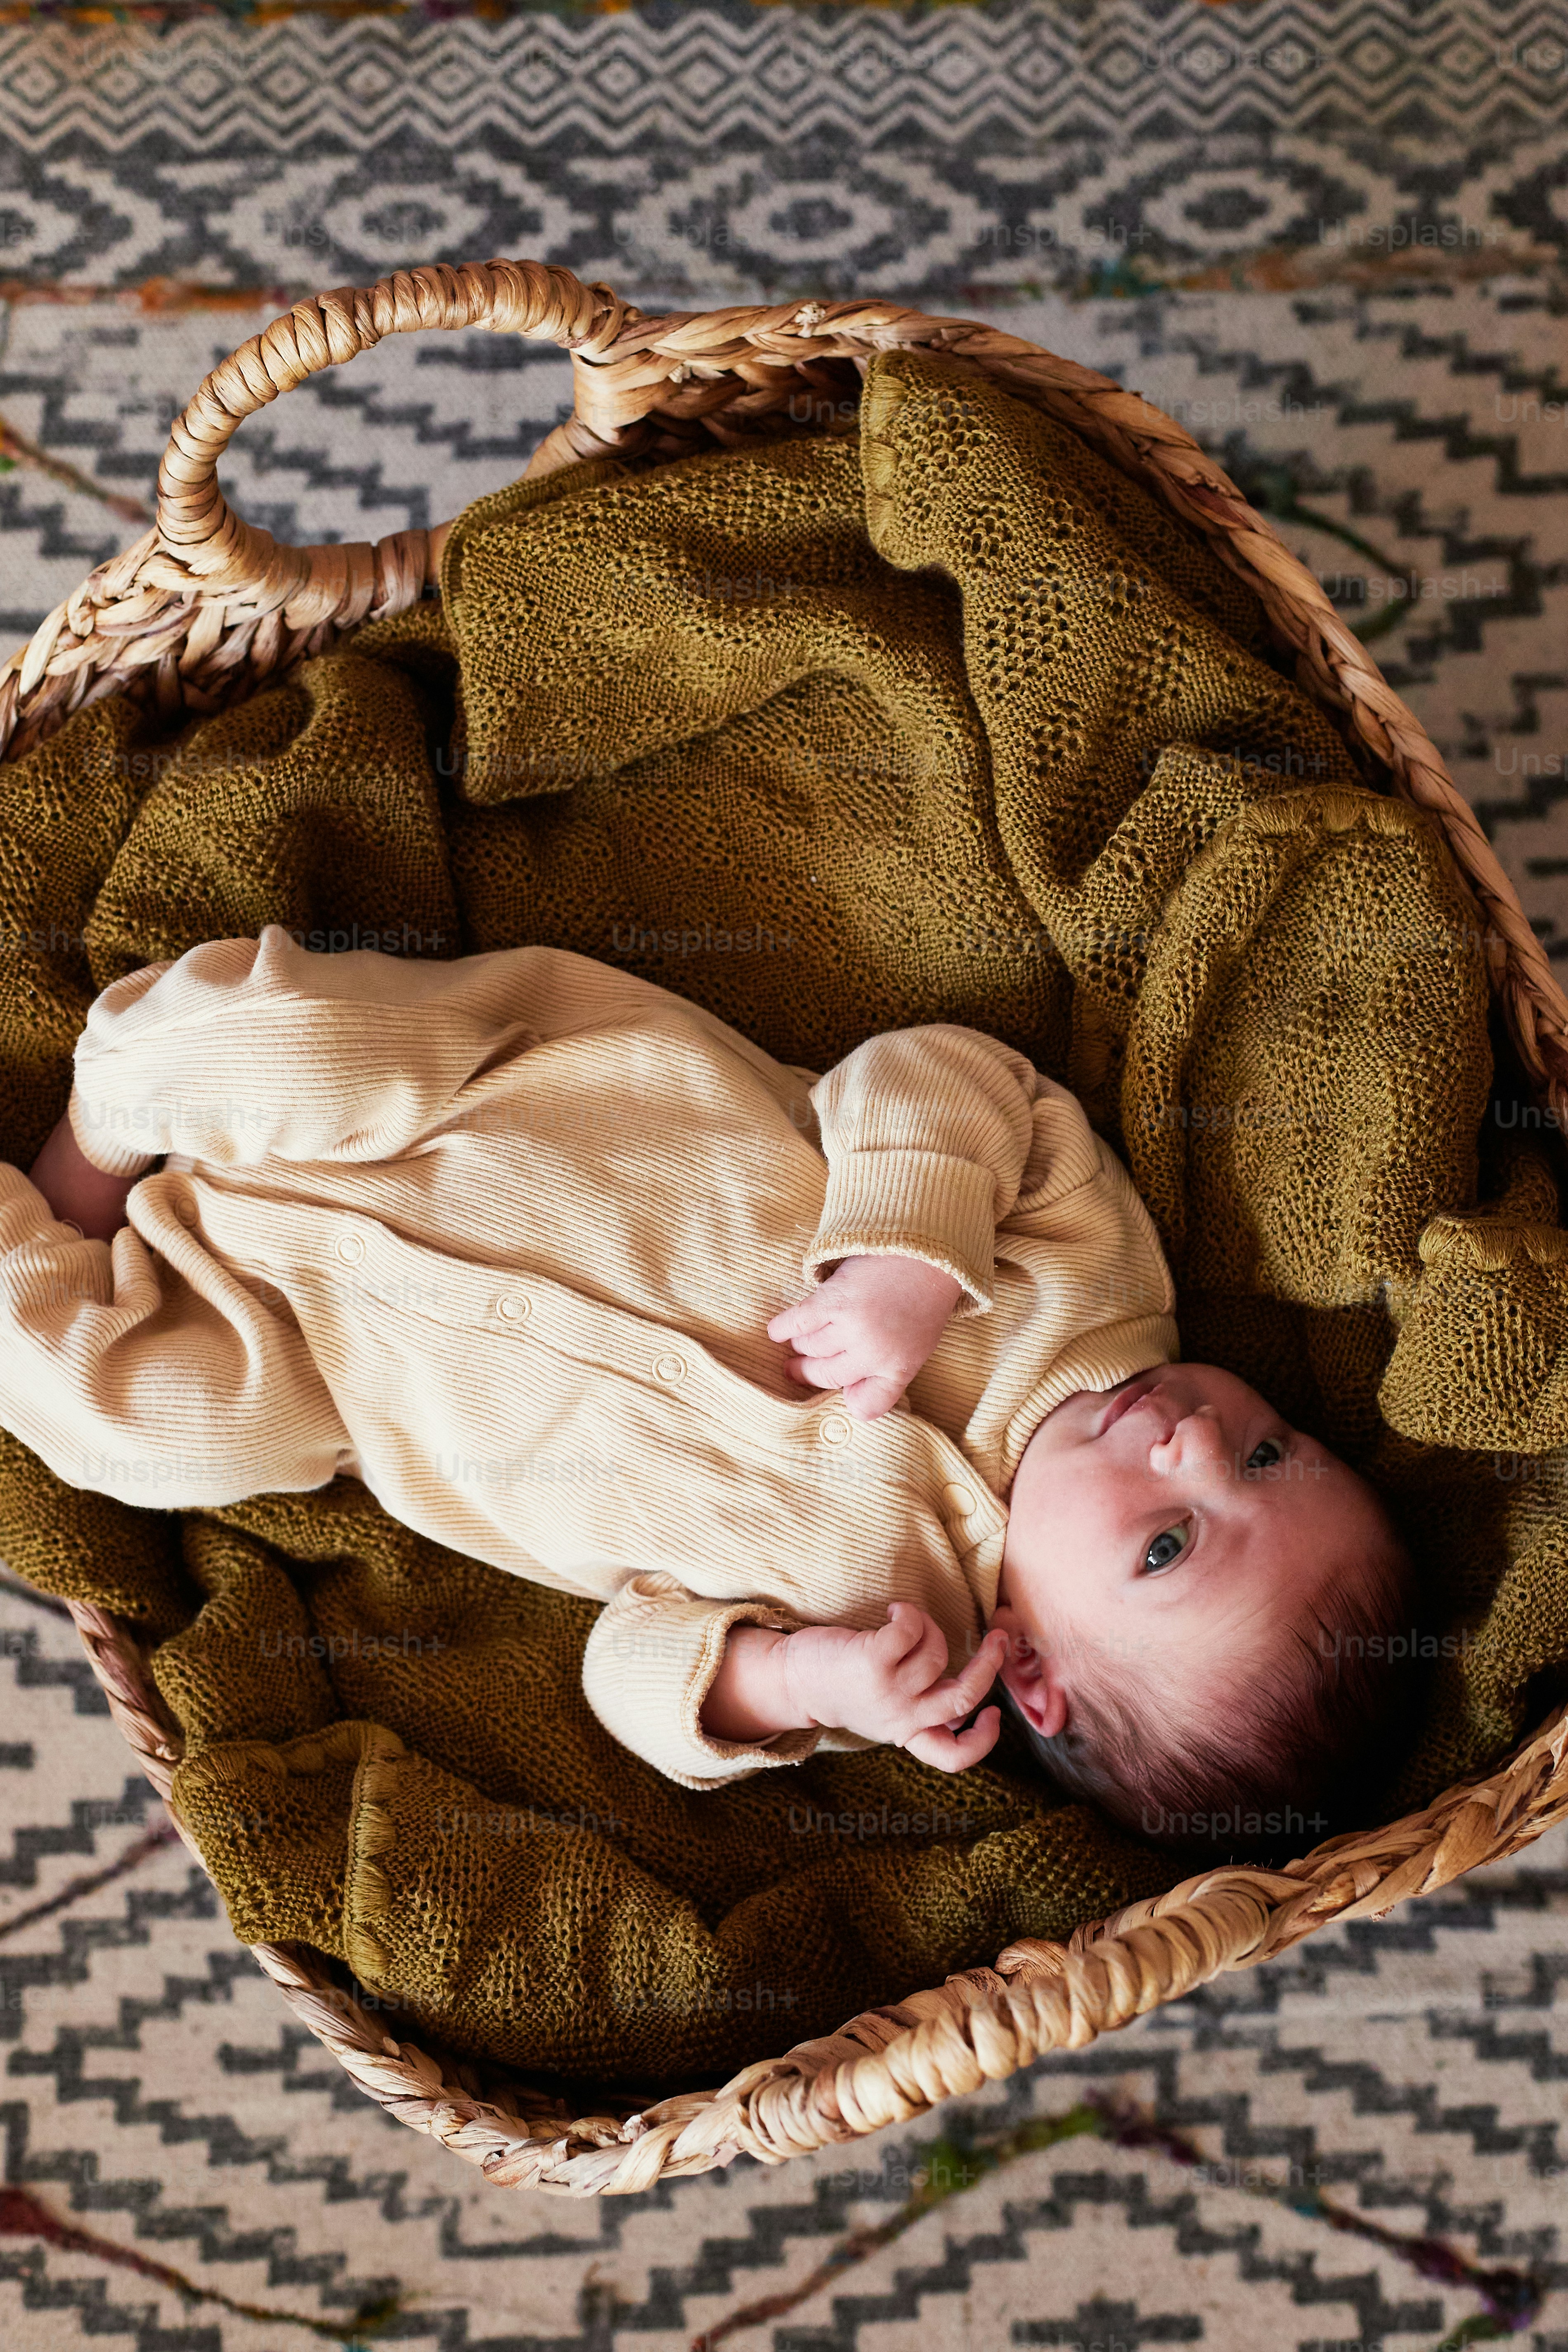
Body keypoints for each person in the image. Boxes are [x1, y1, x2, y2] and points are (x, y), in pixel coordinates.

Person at [16, 926, 1414, 1848]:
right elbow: (958, 1079)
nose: (1192, 1439)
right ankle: (101, 1126)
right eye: (1273, 1451)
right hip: (481, 1096)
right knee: (269, 1039)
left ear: (1037, 1680)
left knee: (135, 1428)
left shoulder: (886, 1638)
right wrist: (909, 1253)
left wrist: (788, 1678)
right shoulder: (1096, 1291)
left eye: (1167, 1541)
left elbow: (626, 1667)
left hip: (327, 1361)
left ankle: (45, 1243)